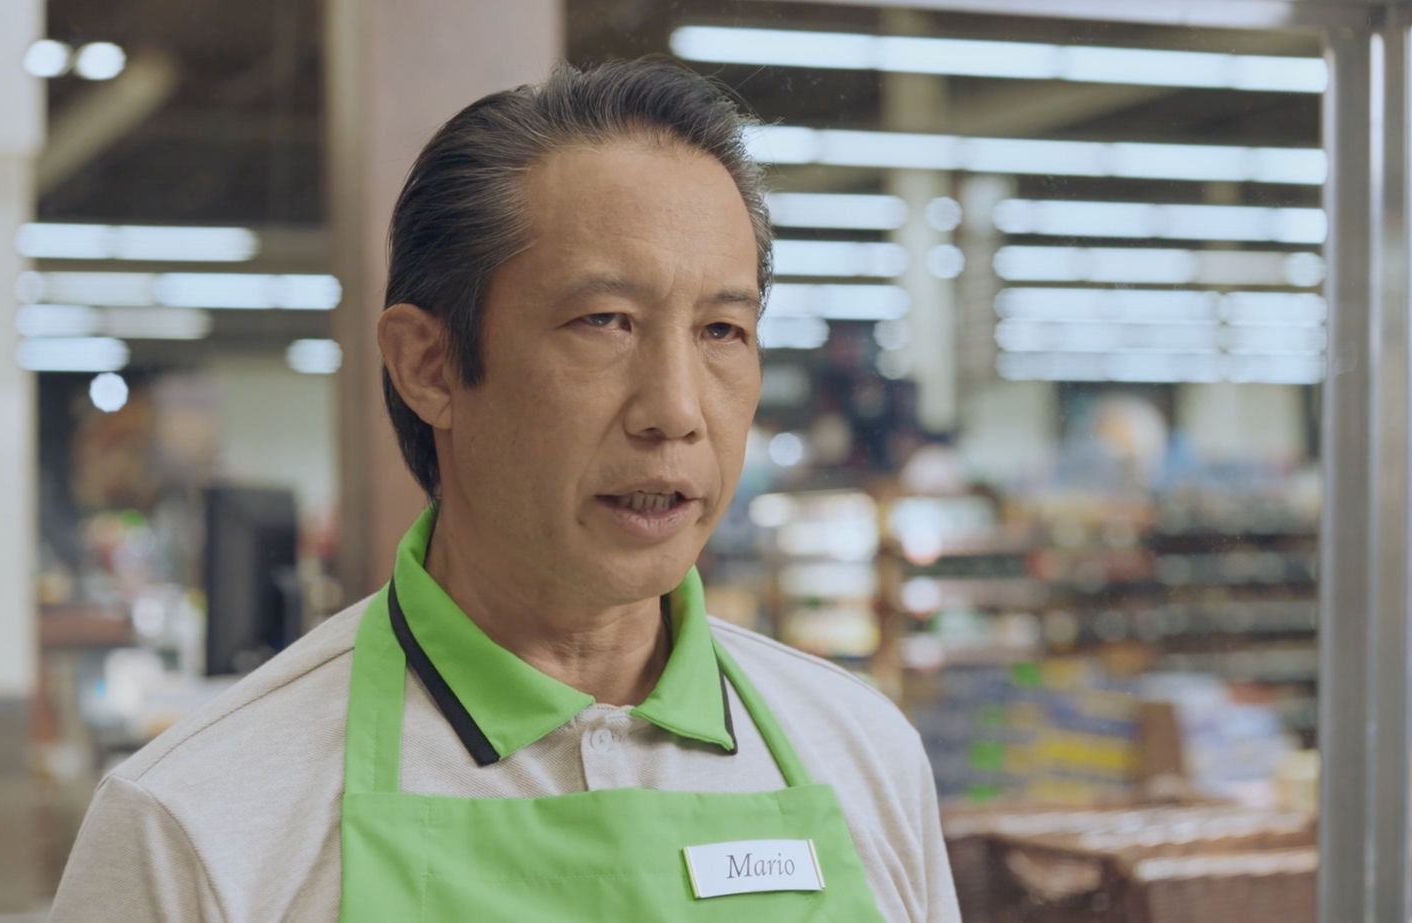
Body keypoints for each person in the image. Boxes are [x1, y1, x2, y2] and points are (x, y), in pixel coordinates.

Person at [50, 57, 961, 922]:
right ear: (431, 365)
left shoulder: (860, 754)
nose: (677, 411)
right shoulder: (199, 819)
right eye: (605, 322)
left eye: (722, 329)